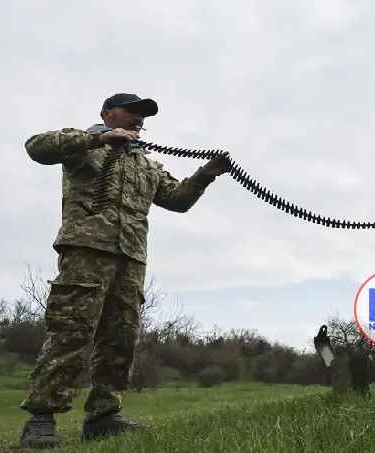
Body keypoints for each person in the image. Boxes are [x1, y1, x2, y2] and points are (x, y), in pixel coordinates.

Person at [19, 93, 231, 448]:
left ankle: (103, 417)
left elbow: (178, 200)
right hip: (87, 252)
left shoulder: (146, 164)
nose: (138, 118)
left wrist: (206, 174)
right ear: (108, 113)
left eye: (142, 114)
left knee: (121, 340)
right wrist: (101, 138)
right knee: (71, 332)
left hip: (131, 259)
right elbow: (36, 147)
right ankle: (41, 418)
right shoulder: (84, 144)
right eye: (131, 111)